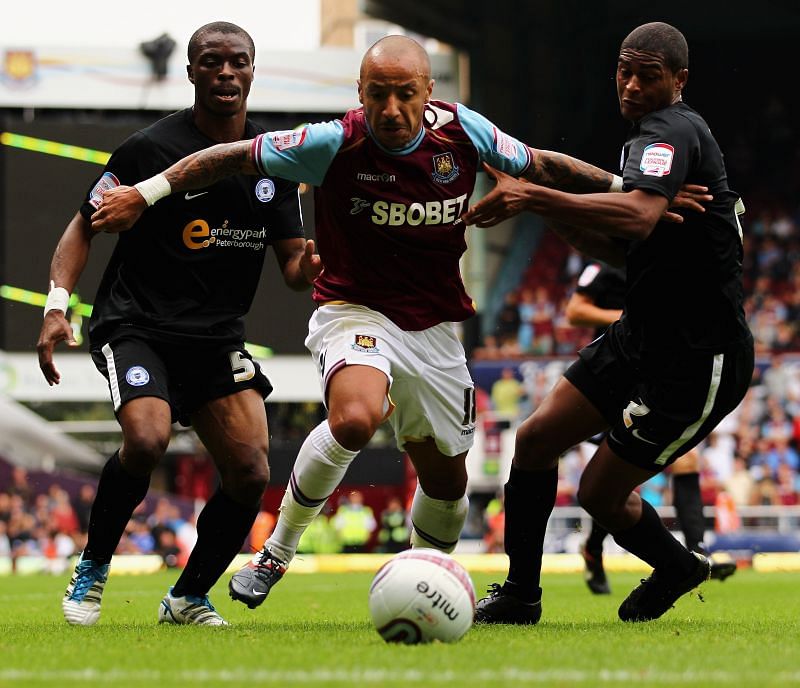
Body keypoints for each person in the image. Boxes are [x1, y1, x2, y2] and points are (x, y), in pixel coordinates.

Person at [90, 34, 704, 613]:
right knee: (355, 418)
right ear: (360, 92)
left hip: (435, 326)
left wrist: (637, 186)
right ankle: (275, 553)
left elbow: (542, 164)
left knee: (447, 483)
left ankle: (423, 578)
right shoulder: (331, 141)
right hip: (354, 308)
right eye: (377, 93)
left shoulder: (465, 131)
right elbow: (226, 158)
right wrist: (147, 193)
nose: (391, 108)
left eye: (404, 93)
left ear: (427, 90)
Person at [464, 22, 754, 624]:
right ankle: (521, 593)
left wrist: (531, 197)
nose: (631, 84)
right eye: (624, 70)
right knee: (536, 440)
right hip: (639, 337)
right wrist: (543, 196)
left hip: (697, 358)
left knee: (599, 492)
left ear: (679, 81)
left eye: (648, 75)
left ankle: (676, 565)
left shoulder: (672, 128)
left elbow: (639, 216)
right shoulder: (648, 141)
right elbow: (626, 247)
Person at [36, 22, 318, 627]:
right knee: (145, 439)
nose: (225, 72)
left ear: (251, 69)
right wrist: (57, 304)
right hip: (137, 325)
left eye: (237, 62)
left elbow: (293, 265)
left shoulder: (273, 160)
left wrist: (312, 262)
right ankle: (92, 569)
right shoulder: (149, 149)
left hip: (216, 339)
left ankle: (188, 597)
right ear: (191, 72)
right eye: (211, 62)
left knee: (251, 472)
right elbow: (85, 224)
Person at [566, 261, 736, 594]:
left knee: (686, 462)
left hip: (656, 372)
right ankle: (594, 548)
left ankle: (697, 552)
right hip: (614, 372)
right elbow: (575, 311)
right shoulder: (604, 266)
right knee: (613, 481)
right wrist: (630, 319)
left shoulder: (661, 261)